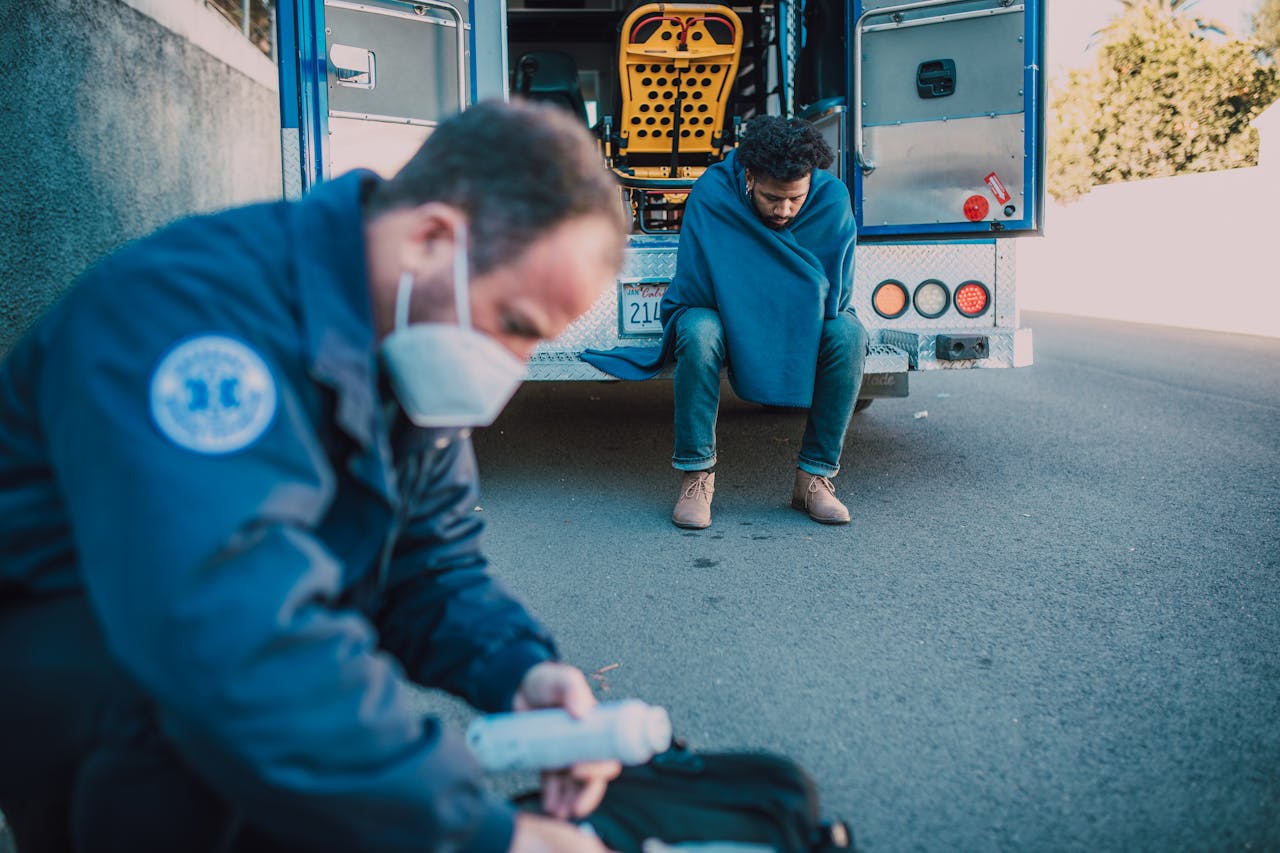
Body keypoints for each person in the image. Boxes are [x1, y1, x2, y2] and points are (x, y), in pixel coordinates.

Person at [0, 99, 628, 852]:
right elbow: (227, 629)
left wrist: (520, 671)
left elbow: (429, 561)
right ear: (431, 238)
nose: (514, 368)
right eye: (517, 325)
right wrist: (485, 830)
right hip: (106, 702)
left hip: (227, 701)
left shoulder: (409, 338)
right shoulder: (190, 319)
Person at [583, 116, 867, 529]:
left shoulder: (831, 199)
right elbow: (699, 287)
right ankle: (697, 475)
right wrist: (766, 300)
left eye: (795, 198)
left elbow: (835, 296)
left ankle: (814, 477)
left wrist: (767, 293)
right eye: (772, 197)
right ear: (749, 177)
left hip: (800, 318)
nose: (784, 210)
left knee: (848, 332)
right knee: (698, 330)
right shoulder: (715, 192)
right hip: (724, 311)